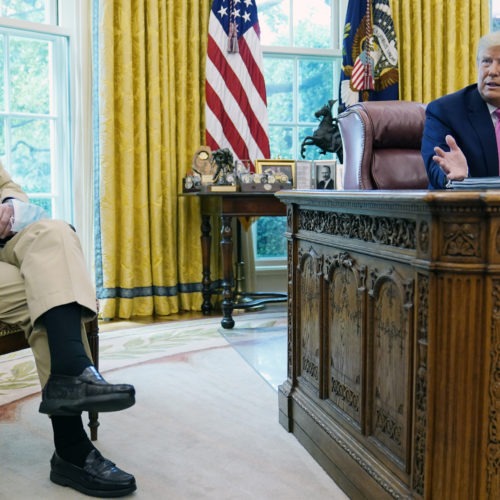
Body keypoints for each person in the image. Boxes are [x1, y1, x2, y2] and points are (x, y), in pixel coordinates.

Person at [0, 163, 137, 497]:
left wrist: (9, 205)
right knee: (53, 298)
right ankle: (71, 448)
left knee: (56, 232)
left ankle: (75, 375)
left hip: (6, 246)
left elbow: (9, 187)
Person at [422, 31, 500, 189]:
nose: (492, 71)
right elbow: (437, 166)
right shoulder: (445, 111)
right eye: (486, 61)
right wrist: (454, 177)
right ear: (477, 65)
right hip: (466, 209)